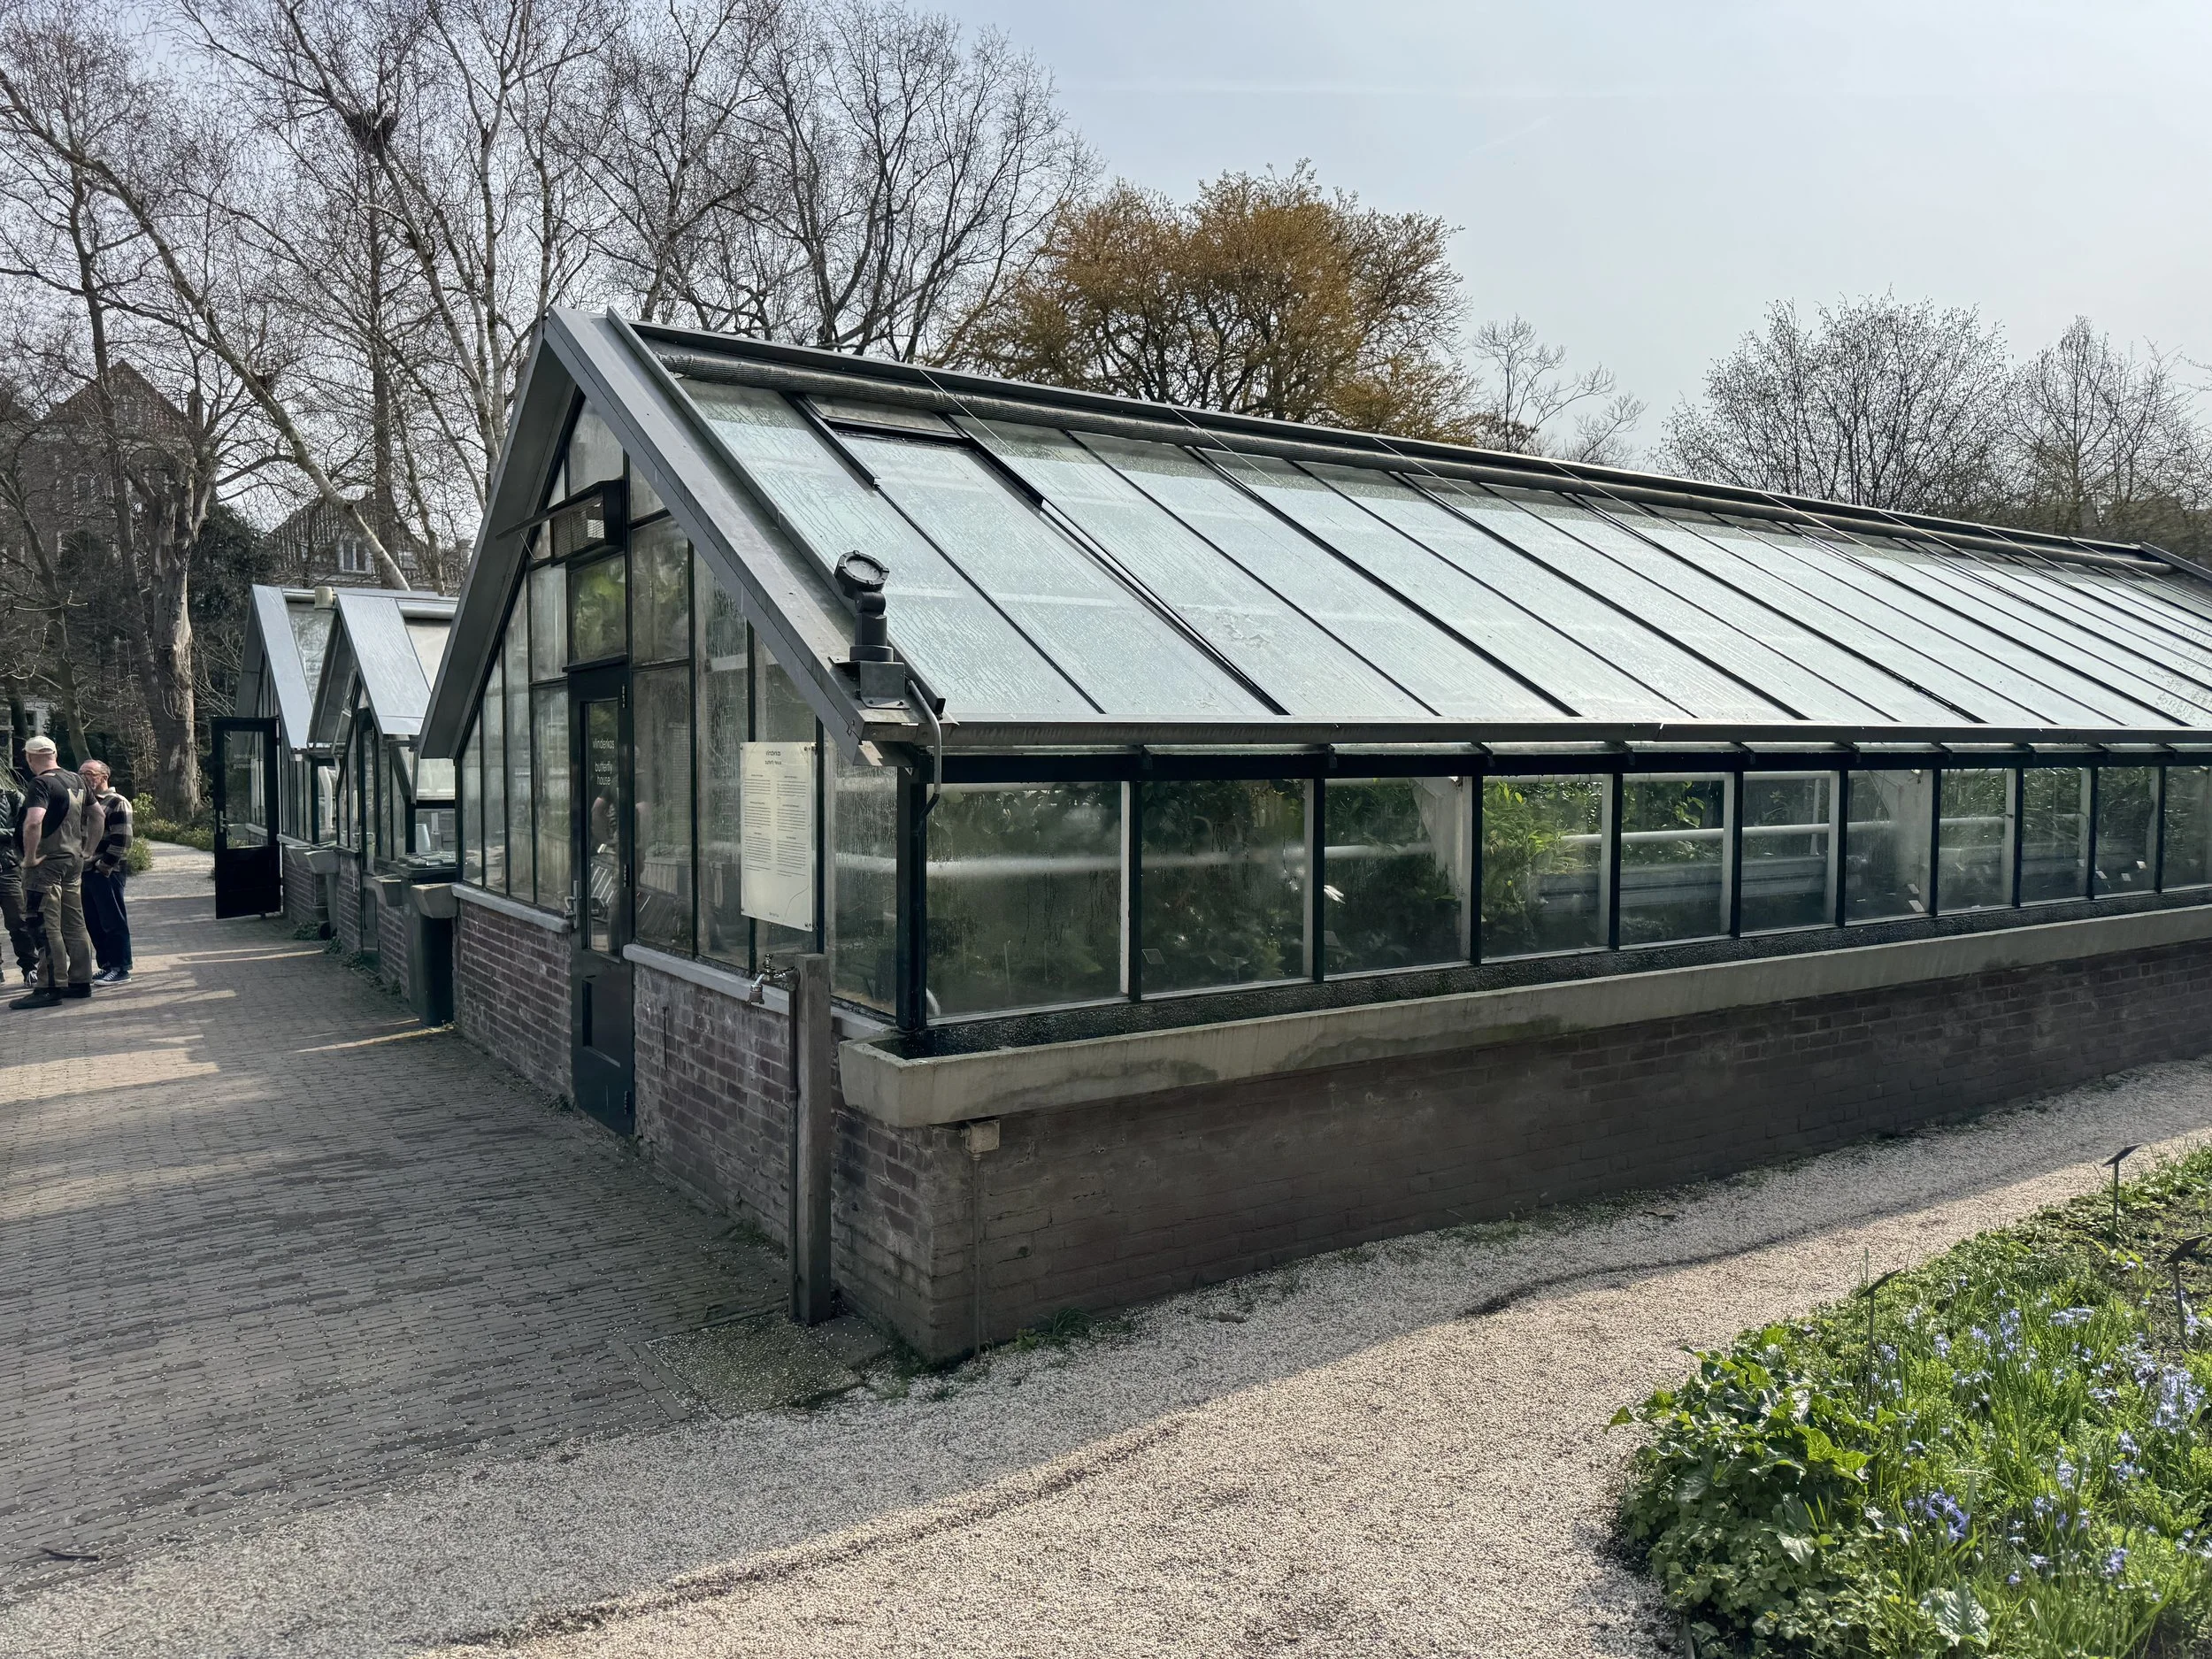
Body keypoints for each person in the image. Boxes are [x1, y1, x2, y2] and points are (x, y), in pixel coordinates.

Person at [10, 734, 95, 1010]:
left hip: (46, 865)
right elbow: (99, 816)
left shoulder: (41, 783)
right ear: (55, 753)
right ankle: (80, 981)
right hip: (73, 860)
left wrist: (31, 856)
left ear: (31, 757)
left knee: (44, 924)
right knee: (75, 922)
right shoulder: (77, 779)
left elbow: (34, 822)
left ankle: (49, 986)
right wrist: (89, 849)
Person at [80, 758, 133, 984]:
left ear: (104, 776)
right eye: (81, 773)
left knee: (113, 920)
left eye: (90, 773)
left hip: (107, 871)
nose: (84, 777)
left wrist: (104, 866)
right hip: (86, 871)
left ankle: (121, 967)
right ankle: (107, 965)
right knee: (94, 920)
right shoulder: (84, 803)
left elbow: (123, 840)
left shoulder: (116, 802)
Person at [0, 756, 37, 985]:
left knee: (19, 922)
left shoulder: (12, 797)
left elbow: (28, 827)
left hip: (9, 868)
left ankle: (30, 967)